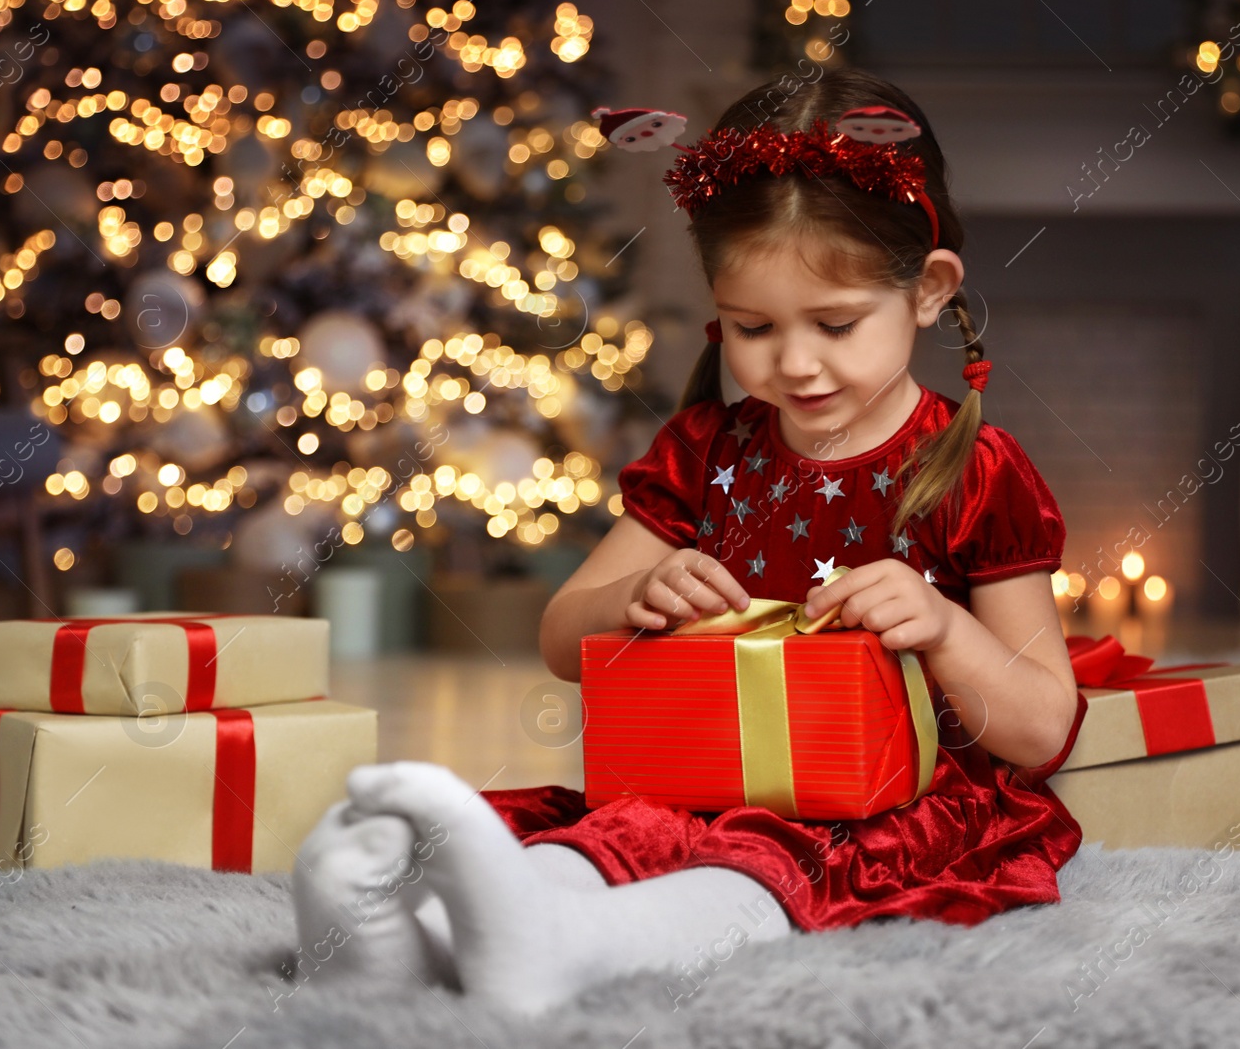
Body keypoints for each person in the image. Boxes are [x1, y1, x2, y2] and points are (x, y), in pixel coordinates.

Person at [288, 67, 1090, 1017]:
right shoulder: (706, 451)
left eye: (836, 324)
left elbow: (1042, 729)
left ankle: (562, 955)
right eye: (754, 327)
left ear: (928, 290)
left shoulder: (974, 469)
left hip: (880, 807)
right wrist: (633, 597)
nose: (794, 362)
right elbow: (561, 641)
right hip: (697, 770)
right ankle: (406, 946)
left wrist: (946, 630)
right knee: (608, 837)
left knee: (758, 865)